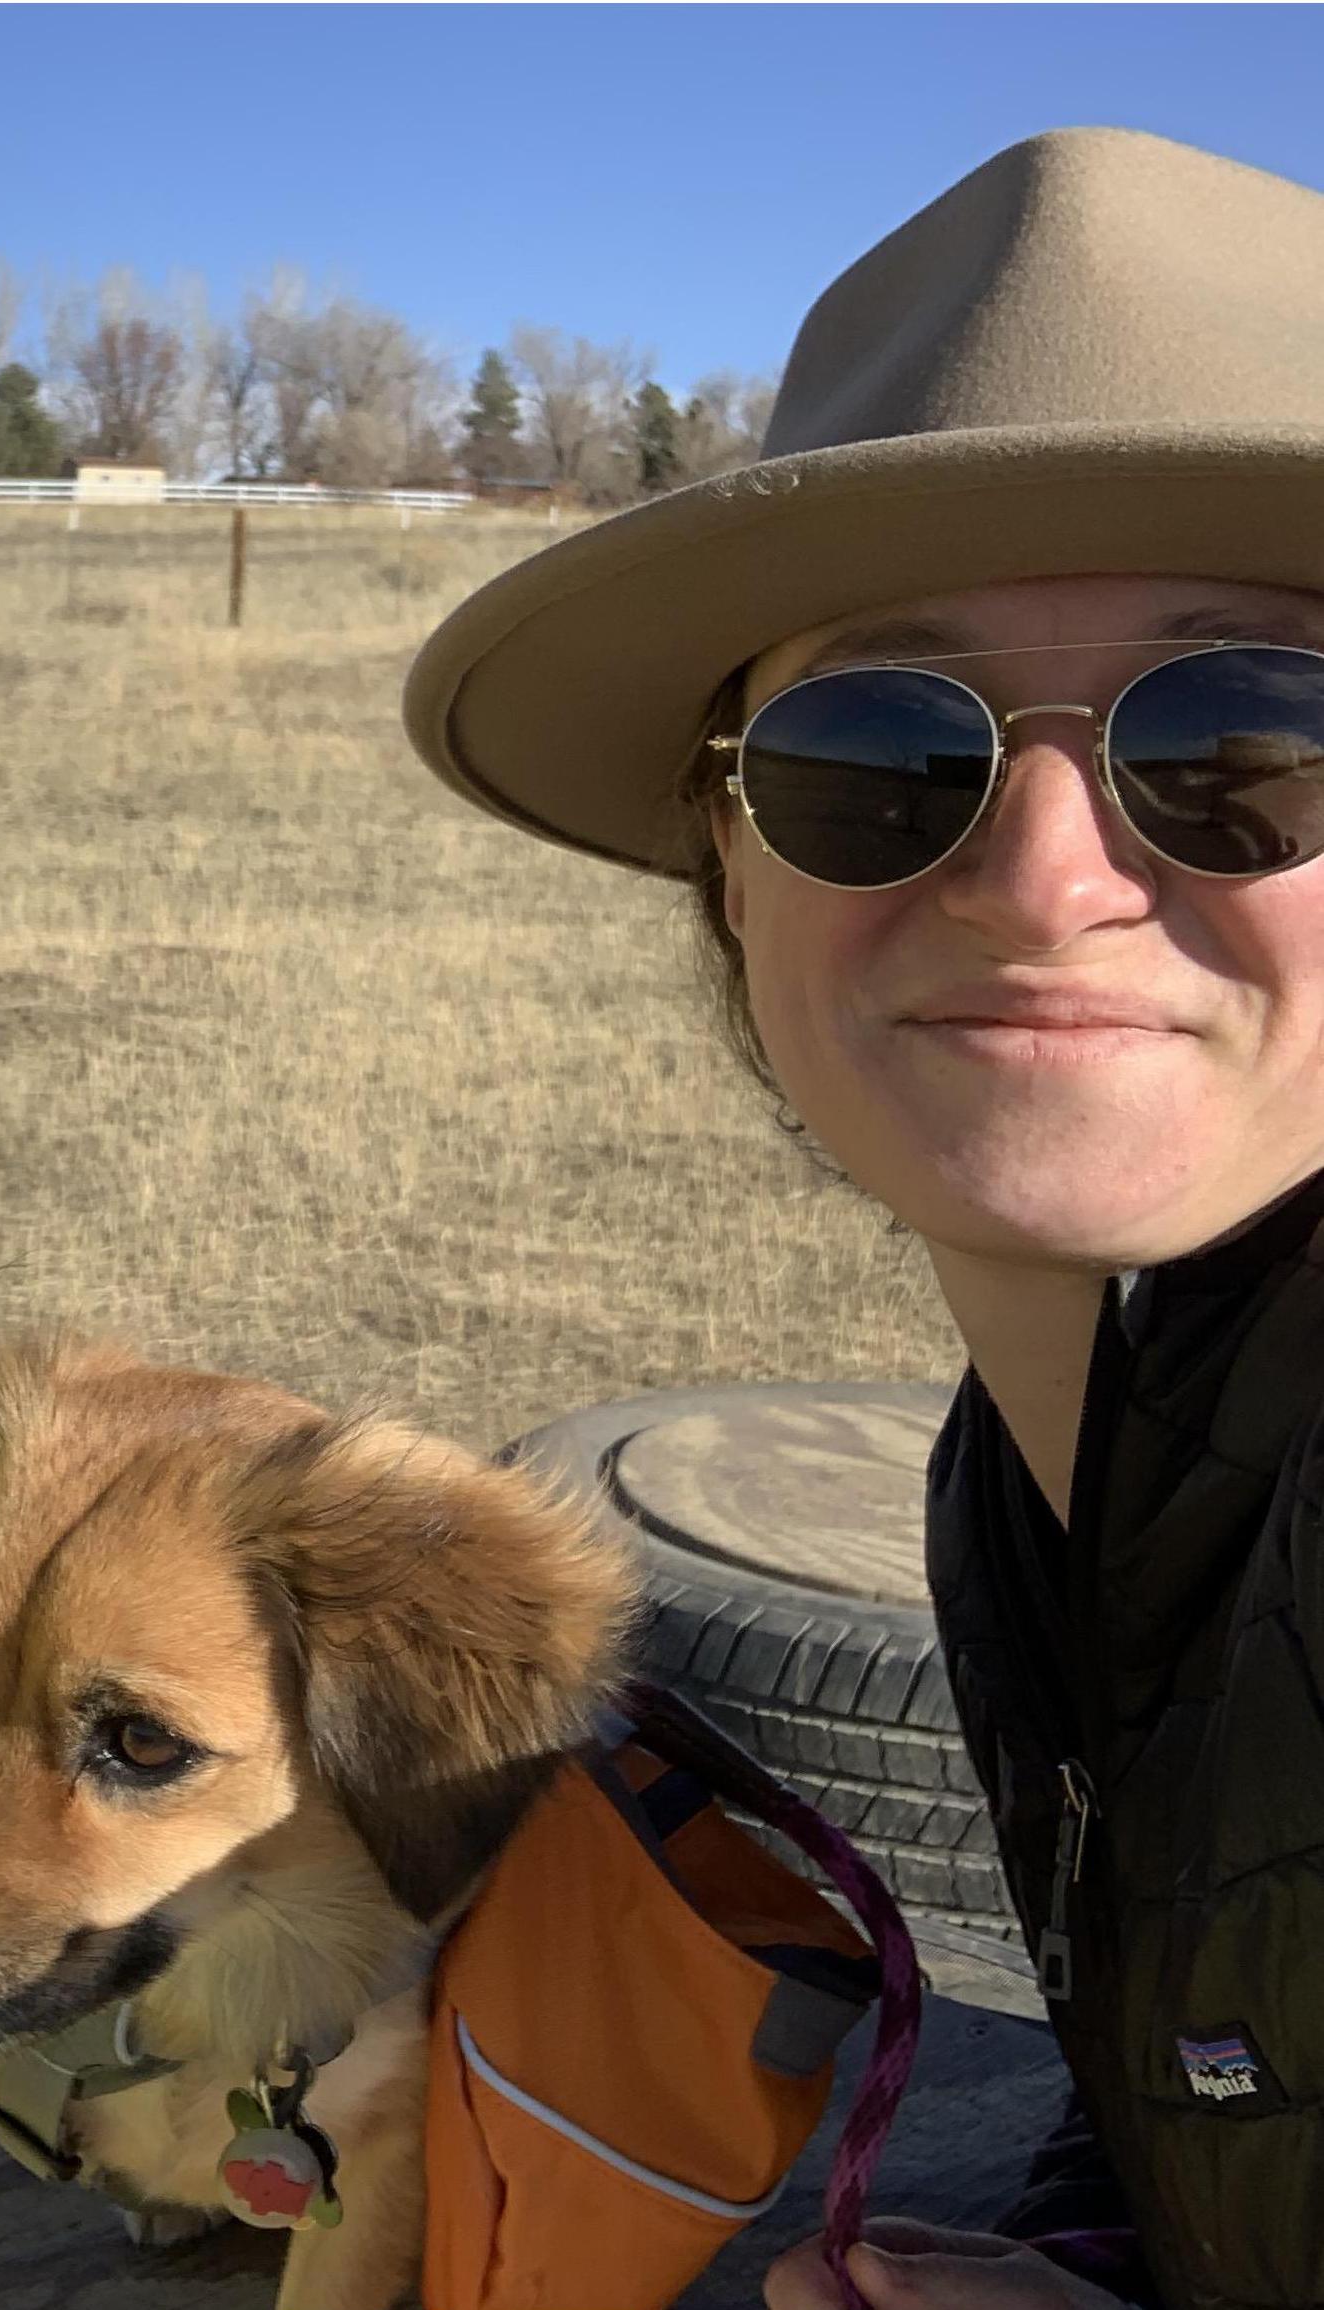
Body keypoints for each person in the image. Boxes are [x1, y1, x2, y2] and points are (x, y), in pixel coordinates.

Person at [406, 127, 1324, 2310]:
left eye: (1245, 737)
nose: (1039, 877)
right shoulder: (1048, 1466)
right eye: (881, 753)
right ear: (731, 864)